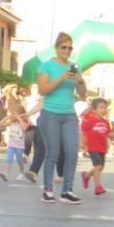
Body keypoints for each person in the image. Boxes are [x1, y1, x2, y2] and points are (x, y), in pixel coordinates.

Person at [37, 32, 87, 204]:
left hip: (69, 115)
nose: (67, 50)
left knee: (73, 152)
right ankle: (48, 189)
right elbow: (43, 90)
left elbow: (82, 94)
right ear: (57, 48)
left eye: (70, 48)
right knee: (53, 153)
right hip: (50, 113)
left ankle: (67, 190)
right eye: (63, 47)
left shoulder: (74, 67)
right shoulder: (47, 66)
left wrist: (80, 81)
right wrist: (61, 77)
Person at [80, 98, 110, 195]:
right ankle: (98, 186)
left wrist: (108, 142)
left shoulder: (106, 122)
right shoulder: (90, 120)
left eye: (105, 108)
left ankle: (87, 175)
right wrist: (82, 143)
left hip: (102, 147)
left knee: (101, 167)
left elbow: (106, 134)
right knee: (98, 166)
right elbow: (82, 130)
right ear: (94, 109)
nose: (103, 110)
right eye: (101, 108)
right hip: (92, 147)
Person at [0, 104, 28, 182]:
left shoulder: (23, 122)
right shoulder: (11, 122)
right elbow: (1, 123)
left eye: (15, 114)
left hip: (20, 146)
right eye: (13, 114)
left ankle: (22, 172)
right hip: (11, 145)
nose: (14, 116)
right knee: (9, 159)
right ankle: (6, 173)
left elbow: (24, 128)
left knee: (19, 160)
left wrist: (20, 119)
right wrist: (8, 117)